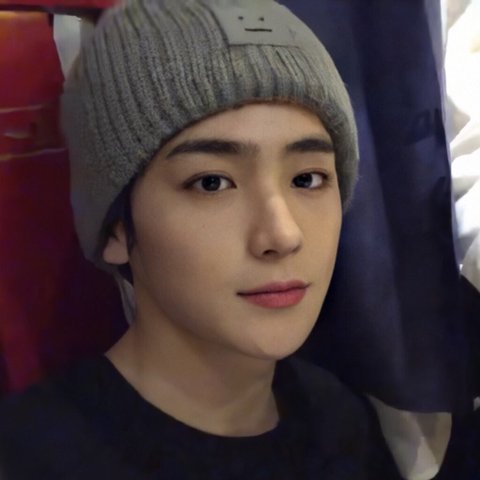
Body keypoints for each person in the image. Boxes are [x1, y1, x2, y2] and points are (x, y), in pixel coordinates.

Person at [0, 0, 400, 478]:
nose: (283, 234)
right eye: (212, 183)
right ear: (116, 227)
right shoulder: (29, 457)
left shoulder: (343, 423)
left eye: (307, 179)